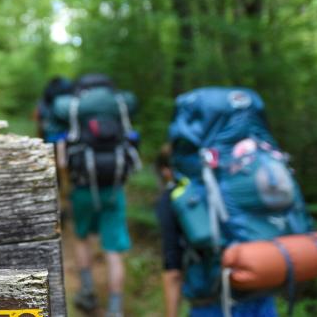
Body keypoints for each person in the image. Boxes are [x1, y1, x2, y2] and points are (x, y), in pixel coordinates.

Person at [155, 144, 278, 317]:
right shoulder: (233, 182)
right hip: (260, 296)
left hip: (212, 303)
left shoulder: (175, 198)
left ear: (168, 170)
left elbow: (173, 267)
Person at [52, 73, 139, 316]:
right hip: (114, 188)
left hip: (82, 186)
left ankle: (87, 292)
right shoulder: (119, 104)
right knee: (113, 250)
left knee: (82, 239)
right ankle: (115, 309)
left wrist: (65, 188)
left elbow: (62, 154)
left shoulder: (75, 106)